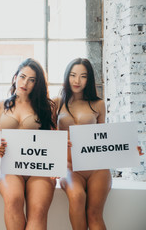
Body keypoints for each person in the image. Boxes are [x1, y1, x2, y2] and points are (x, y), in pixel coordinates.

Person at [0, 58, 56, 230]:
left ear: (37, 84)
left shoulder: (46, 108)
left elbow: (53, 139)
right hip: (8, 166)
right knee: (13, 200)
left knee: (38, 211)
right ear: (15, 77)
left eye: (32, 80)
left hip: (39, 168)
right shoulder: (0, 107)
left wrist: (56, 164)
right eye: (22, 77)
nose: (25, 83)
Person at [54, 58, 110, 230]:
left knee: (94, 215)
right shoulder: (57, 102)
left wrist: (129, 148)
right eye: (73, 75)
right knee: (77, 197)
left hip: (96, 167)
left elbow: (105, 138)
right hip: (69, 166)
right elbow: (48, 135)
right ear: (67, 76)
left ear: (89, 79)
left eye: (83, 76)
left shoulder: (99, 104)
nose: (77, 81)